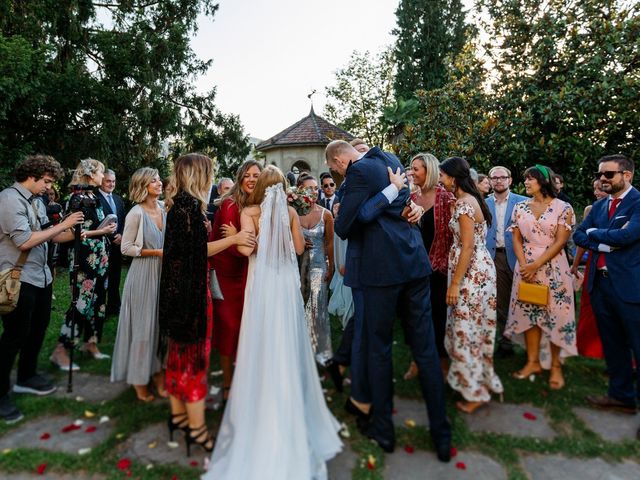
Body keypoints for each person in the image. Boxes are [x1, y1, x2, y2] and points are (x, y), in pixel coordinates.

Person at [206, 166, 342, 479]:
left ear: (261, 187)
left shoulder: (250, 212)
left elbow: (244, 249)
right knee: (286, 339)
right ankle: (287, 397)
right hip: (284, 285)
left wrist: (243, 239)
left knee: (261, 338)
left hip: (262, 283)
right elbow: (297, 249)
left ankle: (258, 403)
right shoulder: (292, 213)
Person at [326, 140, 451, 461]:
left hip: (379, 270)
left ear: (340, 162)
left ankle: (383, 430)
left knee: (379, 350)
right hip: (414, 263)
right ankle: (441, 434)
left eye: (335, 169)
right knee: (426, 351)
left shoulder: (356, 174)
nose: (339, 173)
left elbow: (343, 226)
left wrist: (384, 198)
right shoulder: (391, 159)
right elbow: (400, 206)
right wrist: (396, 196)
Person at [158, 153, 255, 456]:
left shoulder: (180, 207)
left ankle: (178, 417)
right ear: (198, 175)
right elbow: (199, 251)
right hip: (190, 296)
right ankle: (197, 430)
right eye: (209, 173)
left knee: (177, 357)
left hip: (178, 294)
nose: (212, 178)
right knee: (194, 361)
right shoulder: (187, 209)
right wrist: (236, 237)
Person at [0, 155, 84, 423]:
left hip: (41, 276)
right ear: (31, 176)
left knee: (37, 329)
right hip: (17, 277)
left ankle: (26, 376)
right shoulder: (9, 200)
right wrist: (63, 225)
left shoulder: (36, 201)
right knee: (15, 335)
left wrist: (81, 229)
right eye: (46, 181)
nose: (49, 187)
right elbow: (24, 240)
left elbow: (53, 235)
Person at [573, 154, 640, 423]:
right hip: (600, 285)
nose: (602, 179)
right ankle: (621, 397)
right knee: (613, 344)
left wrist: (594, 235)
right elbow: (579, 234)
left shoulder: (637, 203)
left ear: (627, 175)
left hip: (631, 286)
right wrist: (603, 241)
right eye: (601, 174)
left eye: (609, 174)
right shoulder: (600, 207)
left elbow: (628, 236)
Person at [439, 157, 503, 413]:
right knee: (472, 328)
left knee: (467, 330)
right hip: (476, 269)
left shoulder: (465, 205)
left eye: (443, 176)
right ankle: (473, 381)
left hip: (470, 274)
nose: (441, 180)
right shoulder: (468, 200)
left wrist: (455, 284)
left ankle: (475, 391)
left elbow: (467, 246)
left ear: (453, 178)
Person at [505, 165, 576, 390]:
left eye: (530, 179)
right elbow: (516, 238)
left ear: (543, 182)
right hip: (525, 268)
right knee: (530, 314)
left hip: (553, 268)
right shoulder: (520, 206)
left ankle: (555, 366)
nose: (525, 182)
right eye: (525, 179)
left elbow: (560, 242)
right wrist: (525, 265)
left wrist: (537, 263)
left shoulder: (563, 208)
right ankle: (533, 362)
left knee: (556, 316)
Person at [50, 159, 117, 371]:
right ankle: (60, 350)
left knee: (99, 302)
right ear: (90, 175)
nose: (103, 177)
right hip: (83, 258)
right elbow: (73, 233)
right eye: (100, 173)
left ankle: (91, 343)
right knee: (81, 303)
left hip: (100, 256)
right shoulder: (75, 198)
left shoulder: (93, 196)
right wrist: (102, 231)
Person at [110, 168, 167, 402]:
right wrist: (156, 252)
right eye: (153, 180)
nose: (159, 183)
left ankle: (157, 373)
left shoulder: (164, 208)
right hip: (143, 275)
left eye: (159, 179)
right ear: (143, 185)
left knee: (160, 327)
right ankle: (138, 379)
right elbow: (126, 248)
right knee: (143, 329)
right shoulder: (136, 213)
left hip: (164, 274)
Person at [210, 160, 262, 404]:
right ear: (240, 178)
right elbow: (236, 248)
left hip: (247, 273)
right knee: (228, 329)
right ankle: (229, 384)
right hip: (225, 273)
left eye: (256, 175)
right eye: (247, 175)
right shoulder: (231, 205)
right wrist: (246, 241)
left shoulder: (257, 204)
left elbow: (248, 242)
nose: (251, 179)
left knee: (245, 328)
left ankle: (245, 379)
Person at [403, 153, 455, 381]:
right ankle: (416, 360)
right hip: (413, 265)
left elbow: (454, 236)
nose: (412, 172)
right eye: (411, 169)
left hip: (439, 267)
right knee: (414, 316)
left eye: (417, 169)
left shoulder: (446, 198)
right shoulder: (410, 197)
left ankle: (443, 362)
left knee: (438, 316)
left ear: (430, 170)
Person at [485, 166, 528, 358]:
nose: (498, 181)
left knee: (527, 300)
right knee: (501, 303)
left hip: (522, 258)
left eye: (503, 177)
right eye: (494, 178)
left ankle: (530, 346)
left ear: (510, 180)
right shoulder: (484, 203)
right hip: (496, 258)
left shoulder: (524, 202)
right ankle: (506, 343)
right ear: (490, 181)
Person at [297, 174, 334, 366]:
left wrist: (332, 267)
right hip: (296, 268)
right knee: (298, 308)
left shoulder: (325, 214)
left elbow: (329, 243)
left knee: (317, 309)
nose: (312, 191)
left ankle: (319, 351)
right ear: (298, 191)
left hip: (319, 267)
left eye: (314, 188)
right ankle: (299, 350)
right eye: (307, 188)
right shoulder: (292, 214)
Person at [571, 179, 607, 359]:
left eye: (600, 189)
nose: (597, 192)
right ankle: (588, 348)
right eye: (594, 189)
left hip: (615, 261)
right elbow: (581, 241)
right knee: (589, 305)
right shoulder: (590, 210)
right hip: (593, 259)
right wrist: (576, 264)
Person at [97, 169, 126, 316]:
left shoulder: (118, 199)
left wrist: (121, 234)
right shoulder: (95, 199)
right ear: (101, 181)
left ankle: (114, 306)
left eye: (113, 181)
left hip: (118, 245)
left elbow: (123, 220)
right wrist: (111, 237)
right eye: (108, 181)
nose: (111, 184)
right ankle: (100, 306)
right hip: (102, 244)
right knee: (102, 278)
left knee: (115, 277)